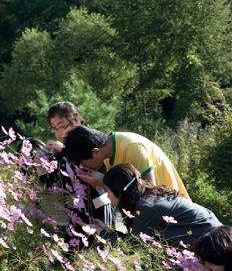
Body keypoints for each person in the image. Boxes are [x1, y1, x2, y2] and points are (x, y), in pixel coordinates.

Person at [85, 164, 219, 246]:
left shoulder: (146, 207)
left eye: (108, 191)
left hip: (208, 238)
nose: (107, 196)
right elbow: (137, 240)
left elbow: (133, 247)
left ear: (120, 192)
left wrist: (102, 233)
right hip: (205, 231)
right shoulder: (145, 198)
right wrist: (107, 230)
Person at [63, 125, 191, 200]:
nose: (84, 166)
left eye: (83, 162)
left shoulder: (131, 146)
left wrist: (105, 181)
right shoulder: (107, 156)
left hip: (174, 210)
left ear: (96, 152)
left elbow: (149, 189)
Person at [44, 102, 113, 240]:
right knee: (73, 251)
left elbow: (102, 173)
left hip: (100, 202)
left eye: (62, 126)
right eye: (54, 128)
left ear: (75, 120)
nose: (59, 133)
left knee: (103, 244)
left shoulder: (88, 139)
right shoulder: (59, 151)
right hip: (76, 208)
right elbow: (50, 182)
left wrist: (65, 149)